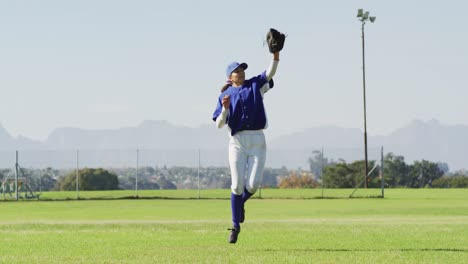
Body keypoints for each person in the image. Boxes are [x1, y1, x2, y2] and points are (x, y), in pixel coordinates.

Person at [212, 50, 280, 244]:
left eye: (242, 69)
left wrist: (275, 55)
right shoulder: (225, 95)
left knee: (253, 185)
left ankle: (239, 203)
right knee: (236, 185)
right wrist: (225, 108)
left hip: (257, 140)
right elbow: (219, 124)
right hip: (237, 143)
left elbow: (270, 73)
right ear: (229, 77)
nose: (240, 72)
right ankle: (235, 226)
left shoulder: (254, 85)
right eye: (236, 70)